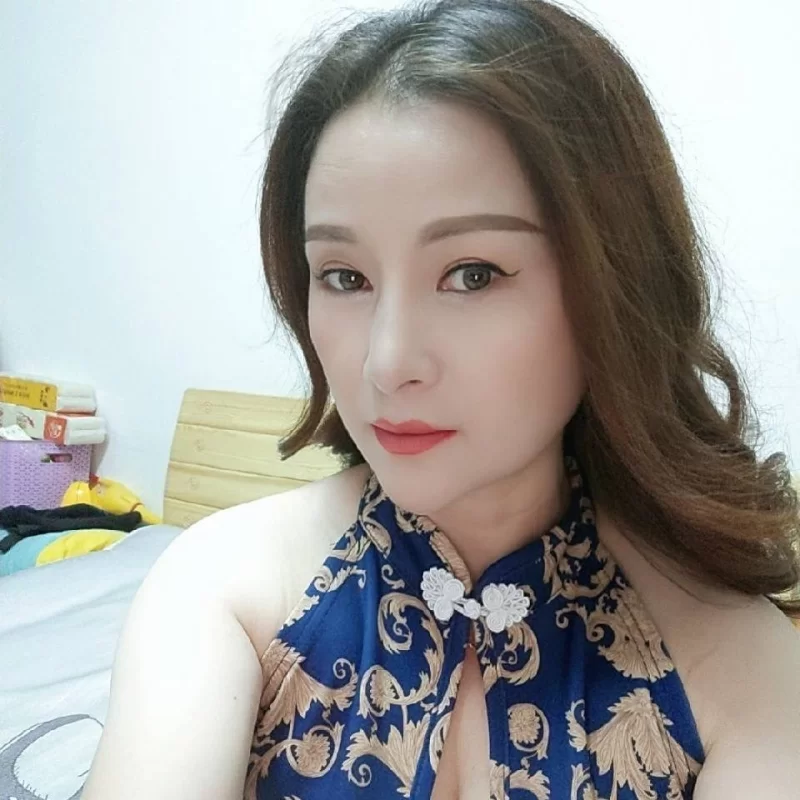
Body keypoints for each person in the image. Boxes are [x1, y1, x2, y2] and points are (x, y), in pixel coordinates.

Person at [82, 1, 800, 797]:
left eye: (472, 274)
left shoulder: (737, 669)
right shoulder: (224, 590)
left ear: (615, 284)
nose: (387, 364)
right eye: (345, 277)